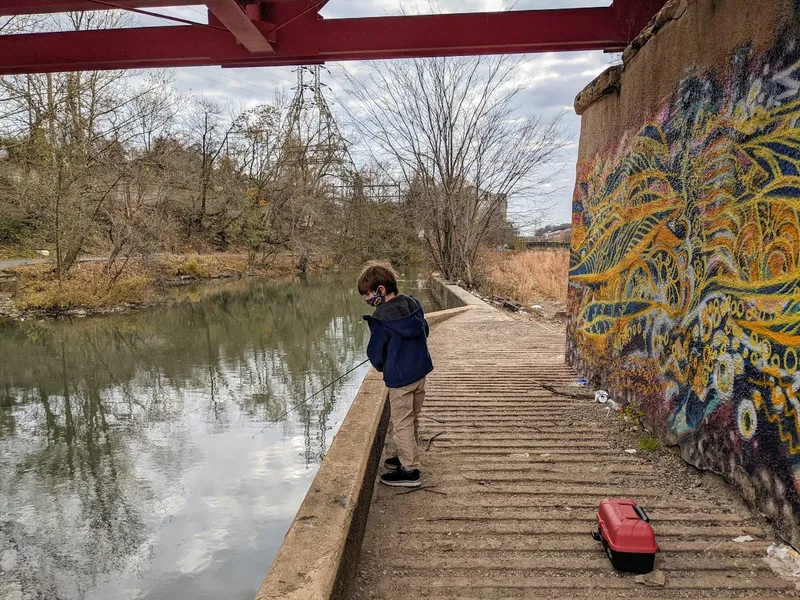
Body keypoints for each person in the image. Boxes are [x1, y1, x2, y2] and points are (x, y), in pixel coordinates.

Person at [358, 261, 433, 488]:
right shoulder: (412, 304)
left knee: (401, 423)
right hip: (420, 374)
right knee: (412, 418)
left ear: (380, 290)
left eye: (368, 296)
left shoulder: (381, 319)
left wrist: (384, 365)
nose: (367, 301)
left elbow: (375, 354)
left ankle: (410, 471)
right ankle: (406, 456)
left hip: (400, 381)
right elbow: (425, 330)